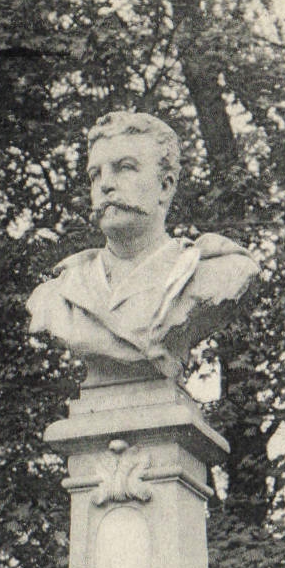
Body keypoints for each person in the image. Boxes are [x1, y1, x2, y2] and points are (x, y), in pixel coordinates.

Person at [27, 112, 259, 378]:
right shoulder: (58, 293)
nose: (105, 185)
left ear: (165, 186)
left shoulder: (216, 271)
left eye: (124, 167)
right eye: (95, 175)